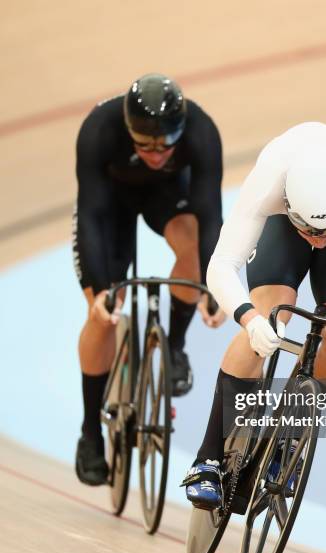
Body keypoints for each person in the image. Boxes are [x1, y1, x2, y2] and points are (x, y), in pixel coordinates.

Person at [183, 122, 326, 509]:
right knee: (270, 318)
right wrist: (249, 319)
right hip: (283, 228)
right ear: (288, 203)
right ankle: (209, 458)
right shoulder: (271, 180)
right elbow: (220, 266)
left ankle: (287, 442)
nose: (319, 239)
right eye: (310, 229)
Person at [73, 73, 225, 486]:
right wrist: (98, 289)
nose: (156, 152)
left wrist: (215, 287)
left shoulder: (202, 130)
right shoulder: (99, 129)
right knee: (101, 314)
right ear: (126, 130)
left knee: (194, 248)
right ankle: (90, 432)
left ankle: (173, 347)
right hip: (110, 206)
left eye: (165, 144)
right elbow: (89, 215)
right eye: (144, 144)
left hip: (167, 199)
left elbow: (211, 213)